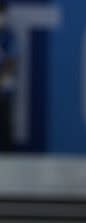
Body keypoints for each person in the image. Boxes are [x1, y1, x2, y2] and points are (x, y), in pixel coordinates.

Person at [0, 1, 16, 151]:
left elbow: (11, 63)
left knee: (5, 125)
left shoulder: (8, 36)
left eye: (3, 12)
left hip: (4, 89)